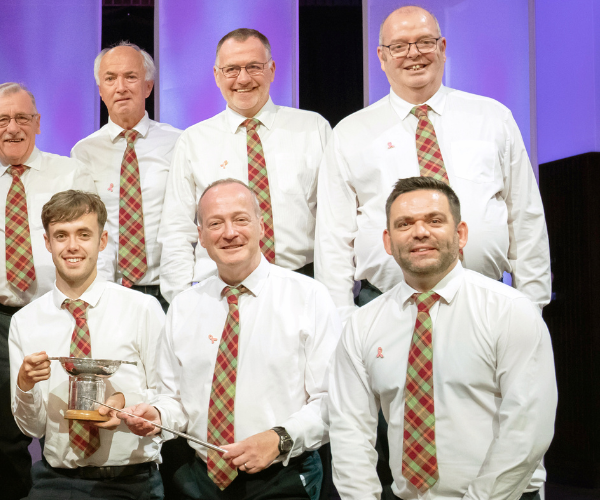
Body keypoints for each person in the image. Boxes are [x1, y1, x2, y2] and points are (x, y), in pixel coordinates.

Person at [329, 177, 555, 500]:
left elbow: (527, 428)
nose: (420, 232)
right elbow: (349, 433)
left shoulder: (511, 312)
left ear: (461, 234)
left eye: (435, 220)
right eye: (404, 224)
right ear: (388, 242)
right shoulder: (362, 325)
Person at [317, 5, 549, 311]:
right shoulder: (349, 133)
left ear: (442, 48)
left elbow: (525, 216)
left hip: (487, 301)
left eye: (425, 42)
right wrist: (340, 319)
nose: (413, 54)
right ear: (382, 57)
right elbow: (334, 238)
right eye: (398, 46)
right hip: (385, 304)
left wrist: (532, 305)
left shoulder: (493, 118)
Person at [124, 179, 339, 500]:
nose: (229, 232)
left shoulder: (308, 296)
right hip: (198, 480)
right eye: (215, 223)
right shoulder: (184, 306)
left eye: (240, 219)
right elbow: (175, 399)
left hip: (285, 477)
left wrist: (279, 438)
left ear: (261, 226)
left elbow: (332, 401)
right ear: (201, 237)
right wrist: (157, 416)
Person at [0, 82, 88, 500]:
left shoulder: (68, 173)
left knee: (68, 421)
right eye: (1, 120)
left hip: (60, 314)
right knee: (1, 433)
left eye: (21, 118)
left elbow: (95, 243)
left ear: (37, 123)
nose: (12, 128)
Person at [10, 190, 166, 500]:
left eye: (83, 234)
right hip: (56, 481)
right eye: (61, 235)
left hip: (132, 480)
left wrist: (125, 402)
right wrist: (25, 385)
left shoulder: (143, 308)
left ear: (103, 240)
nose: (72, 246)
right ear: (47, 243)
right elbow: (33, 428)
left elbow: (169, 397)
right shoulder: (25, 321)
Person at [159, 29, 331, 303]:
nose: (243, 78)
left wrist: (332, 295)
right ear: (217, 75)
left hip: (300, 286)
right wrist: (182, 300)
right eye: (231, 69)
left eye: (254, 67)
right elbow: (176, 230)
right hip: (219, 292)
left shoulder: (314, 129)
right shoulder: (193, 141)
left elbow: (334, 222)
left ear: (272, 69)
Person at [71, 41, 182, 309]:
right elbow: (90, 228)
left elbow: (186, 223)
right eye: (110, 78)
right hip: (113, 292)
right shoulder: (84, 152)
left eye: (130, 77)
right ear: (100, 90)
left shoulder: (179, 143)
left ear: (148, 86)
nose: (120, 87)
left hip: (169, 292)